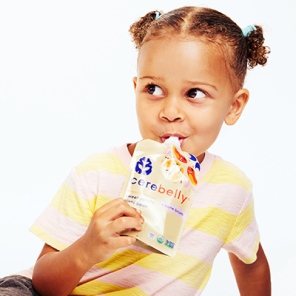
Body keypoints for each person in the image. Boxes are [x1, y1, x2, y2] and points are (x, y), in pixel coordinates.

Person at [0, 5, 271, 296]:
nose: (170, 112)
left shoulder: (231, 191)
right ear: (136, 88)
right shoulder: (97, 174)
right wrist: (86, 249)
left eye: (194, 93)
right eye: (153, 89)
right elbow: (44, 284)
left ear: (234, 106)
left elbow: (252, 264)